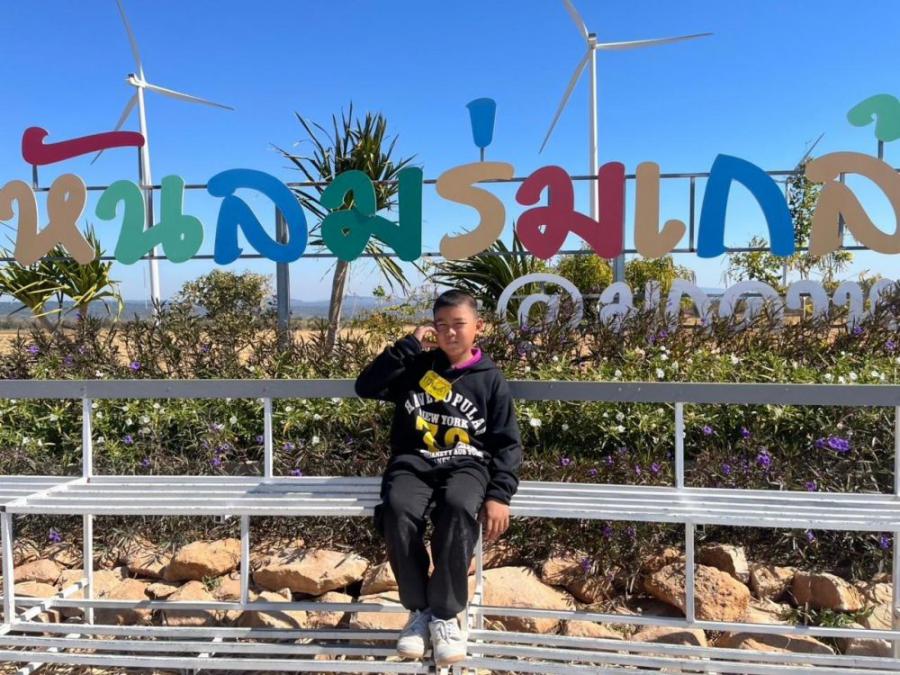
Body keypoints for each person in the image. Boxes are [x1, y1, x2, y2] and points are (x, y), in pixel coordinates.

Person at [355, 289, 523, 666]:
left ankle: (446, 615)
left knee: (459, 506)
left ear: (479, 327)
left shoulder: (490, 379)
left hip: (467, 465)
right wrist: (409, 345)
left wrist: (500, 494)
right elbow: (365, 387)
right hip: (413, 462)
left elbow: (507, 442)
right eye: (441, 325)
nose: (449, 332)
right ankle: (419, 612)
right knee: (397, 508)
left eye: (459, 324)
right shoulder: (417, 366)